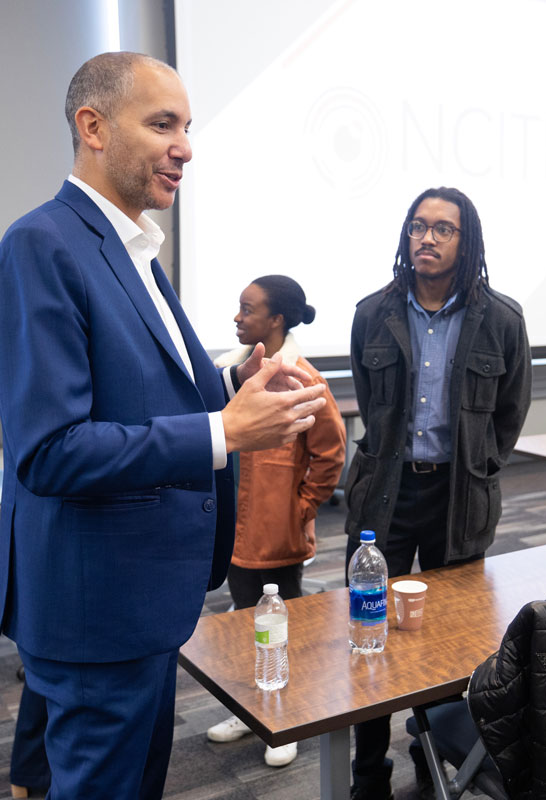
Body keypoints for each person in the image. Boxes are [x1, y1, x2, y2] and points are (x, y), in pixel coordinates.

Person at [0, 52, 326, 800]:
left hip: (137, 598)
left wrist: (236, 383)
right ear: (93, 127)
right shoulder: (41, 247)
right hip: (94, 609)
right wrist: (224, 432)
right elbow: (50, 451)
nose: (187, 147)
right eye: (163, 124)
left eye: (189, 127)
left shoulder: (131, 249)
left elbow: (142, 385)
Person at [344, 187, 532, 798]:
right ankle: (368, 772)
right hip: (385, 501)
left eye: (442, 229)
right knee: (369, 638)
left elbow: (510, 412)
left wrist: (477, 469)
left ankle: (438, 758)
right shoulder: (374, 312)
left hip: (458, 500)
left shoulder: (502, 319)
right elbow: (373, 409)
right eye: (418, 227)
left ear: (465, 241)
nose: (426, 237)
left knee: (453, 645)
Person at [206, 275, 346, 766]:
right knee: (246, 623)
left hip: (279, 533)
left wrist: (302, 506)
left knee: (285, 626)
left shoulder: (304, 378)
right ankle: (250, 711)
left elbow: (330, 454)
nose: (237, 318)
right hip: (237, 532)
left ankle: (286, 719)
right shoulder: (228, 373)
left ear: (276, 320)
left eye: (248, 309)